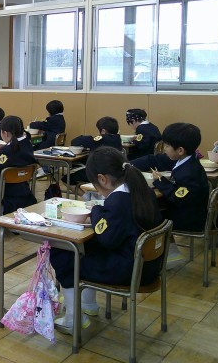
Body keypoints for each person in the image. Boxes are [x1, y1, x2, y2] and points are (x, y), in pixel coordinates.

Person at [50, 147, 162, 334]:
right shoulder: (141, 190)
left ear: (102, 179)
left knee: (62, 252)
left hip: (130, 271)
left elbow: (107, 239)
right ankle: (88, 304)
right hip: (149, 265)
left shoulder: (118, 201)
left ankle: (73, 319)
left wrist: (95, 211)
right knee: (86, 246)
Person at [130, 123, 208, 233]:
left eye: (166, 146)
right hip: (183, 211)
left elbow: (177, 197)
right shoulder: (185, 159)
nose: (164, 149)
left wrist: (160, 181)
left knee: (144, 215)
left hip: (185, 220)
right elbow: (155, 159)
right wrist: (128, 164)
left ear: (180, 150)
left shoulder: (190, 172)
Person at [64, 116, 122, 186]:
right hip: (114, 173)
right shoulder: (118, 139)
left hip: (98, 173)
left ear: (103, 131)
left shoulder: (100, 140)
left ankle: (85, 193)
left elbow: (75, 141)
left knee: (66, 179)